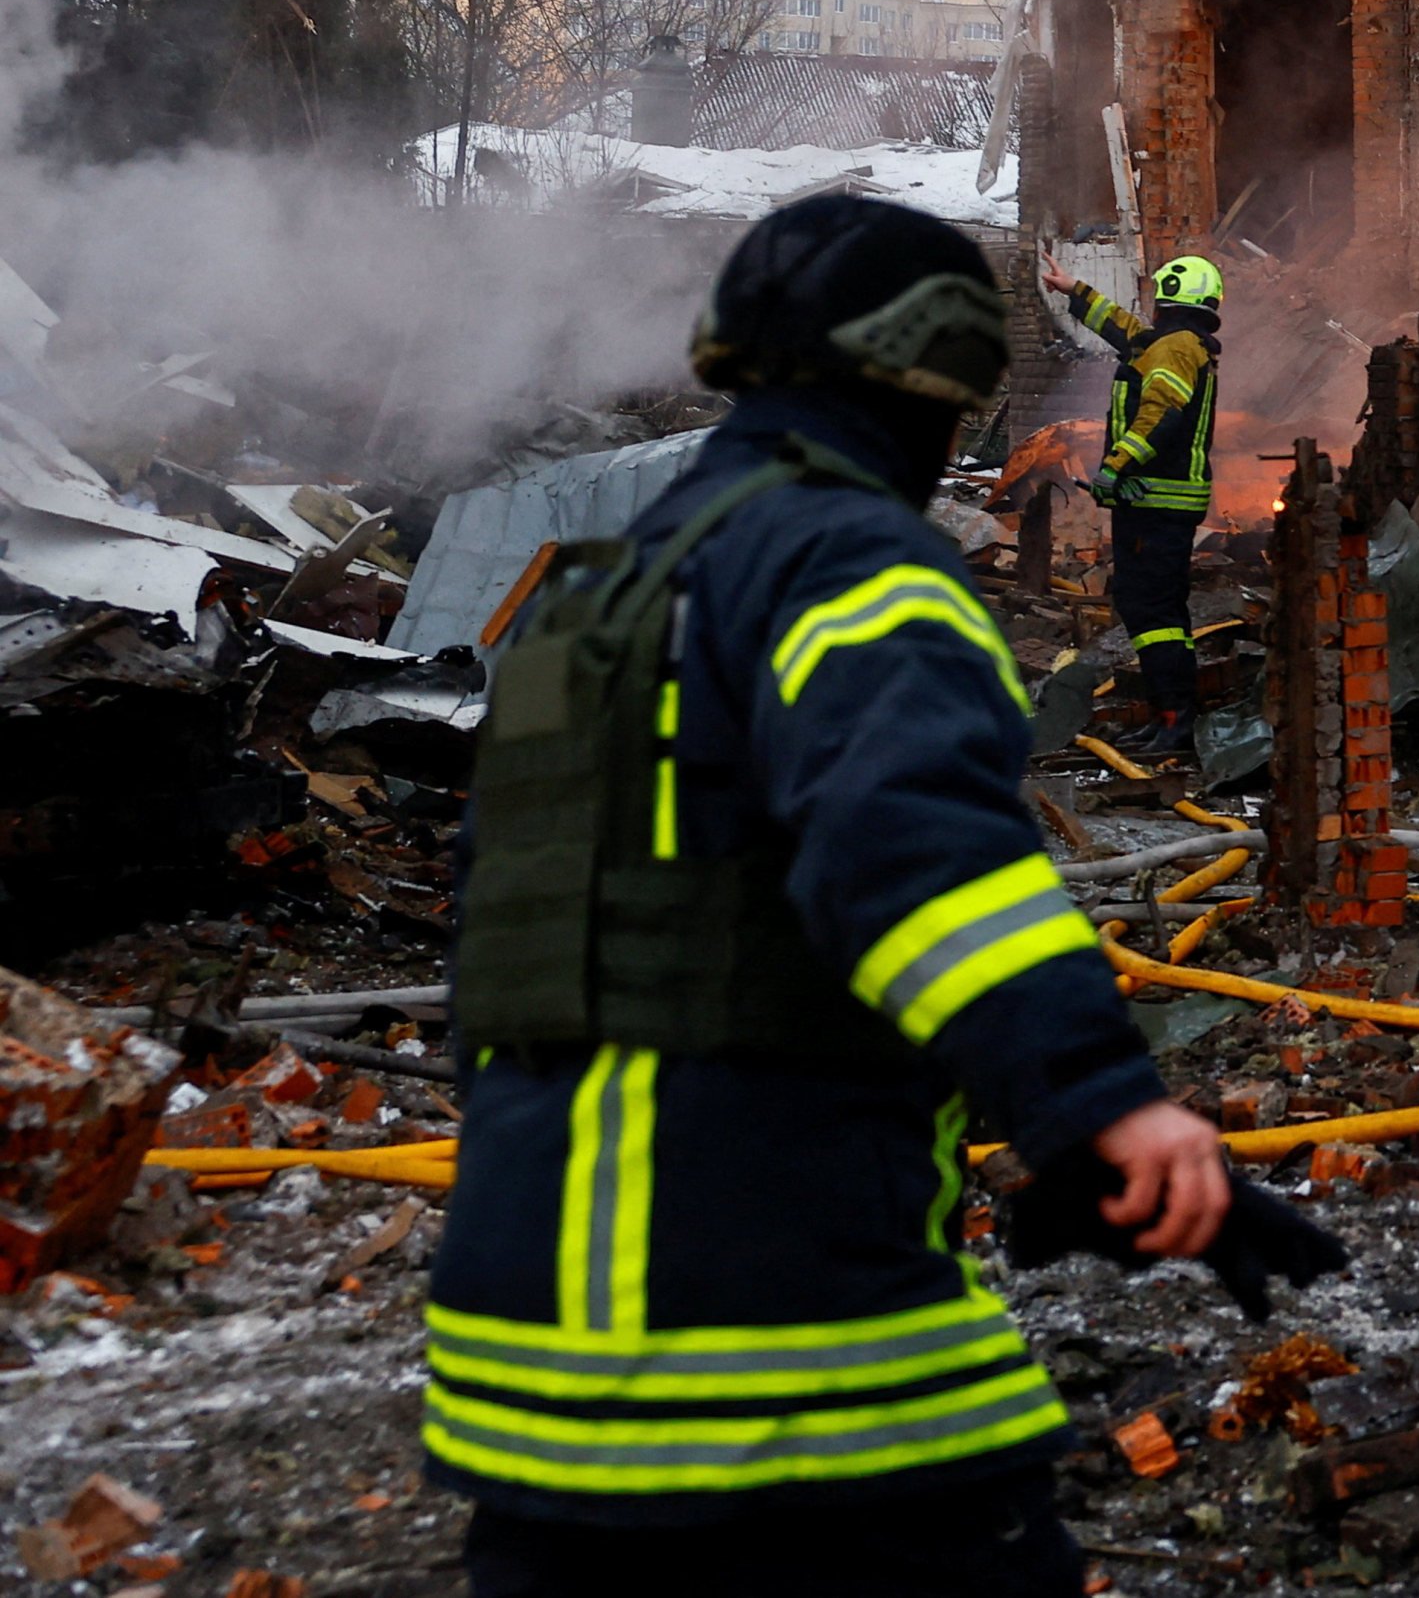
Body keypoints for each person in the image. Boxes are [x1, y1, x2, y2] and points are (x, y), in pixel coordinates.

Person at [428, 193, 1232, 1597]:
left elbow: (500, 936)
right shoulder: (853, 569)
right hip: (775, 1334)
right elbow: (917, 852)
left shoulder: (586, 612)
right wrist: (1098, 1100)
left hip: (525, 1360)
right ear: (923, 380)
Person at [1039, 249, 1224, 751]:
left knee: (1156, 611)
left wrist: (1115, 466)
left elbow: (1161, 416)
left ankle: (1175, 721)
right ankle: (1167, 716)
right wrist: (1075, 291)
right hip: (1154, 504)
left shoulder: (1177, 347)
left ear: (1168, 296)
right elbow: (1124, 331)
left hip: (1156, 506)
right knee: (1149, 608)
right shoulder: (1173, 344)